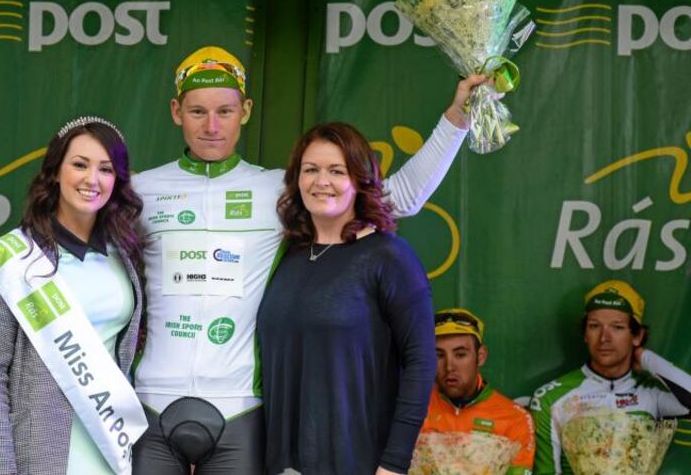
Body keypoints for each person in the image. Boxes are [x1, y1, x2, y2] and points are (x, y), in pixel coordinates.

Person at [131, 45, 485, 474]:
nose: (211, 126)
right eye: (197, 112)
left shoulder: (280, 190)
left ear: (245, 111)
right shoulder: (137, 191)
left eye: (224, 111)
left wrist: (458, 119)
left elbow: (400, 196)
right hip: (151, 398)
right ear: (175, 111)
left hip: (241, 406)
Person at [0, 116, 147, 475]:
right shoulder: (16, 258)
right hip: (39, 452)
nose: (91, 179)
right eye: (80, 164)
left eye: (106, 169)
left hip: (110, 447)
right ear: (54, 171)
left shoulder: (124, 255)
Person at [258, 121, 435, 475]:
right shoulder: (283, 256)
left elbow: (420, 362)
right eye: (311, 170)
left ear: (360, 181)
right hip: (282, 464)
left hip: (358, 460)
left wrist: (394, 463)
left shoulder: (388, 256)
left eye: (336, 171)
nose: (321, 181)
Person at [529, 280, 691, 474]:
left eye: (618, 327)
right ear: (585, 334)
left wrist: (646, 358)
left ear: (637, 335)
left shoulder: (652, 392)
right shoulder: (550, 397)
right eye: (594, 326)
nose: (605, 337)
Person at [416, 308, 534, 475]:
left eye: (460, 354)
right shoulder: (411, 408)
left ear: (481, 356)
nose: (449, 367)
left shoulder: (515, 419)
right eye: (439, 355)